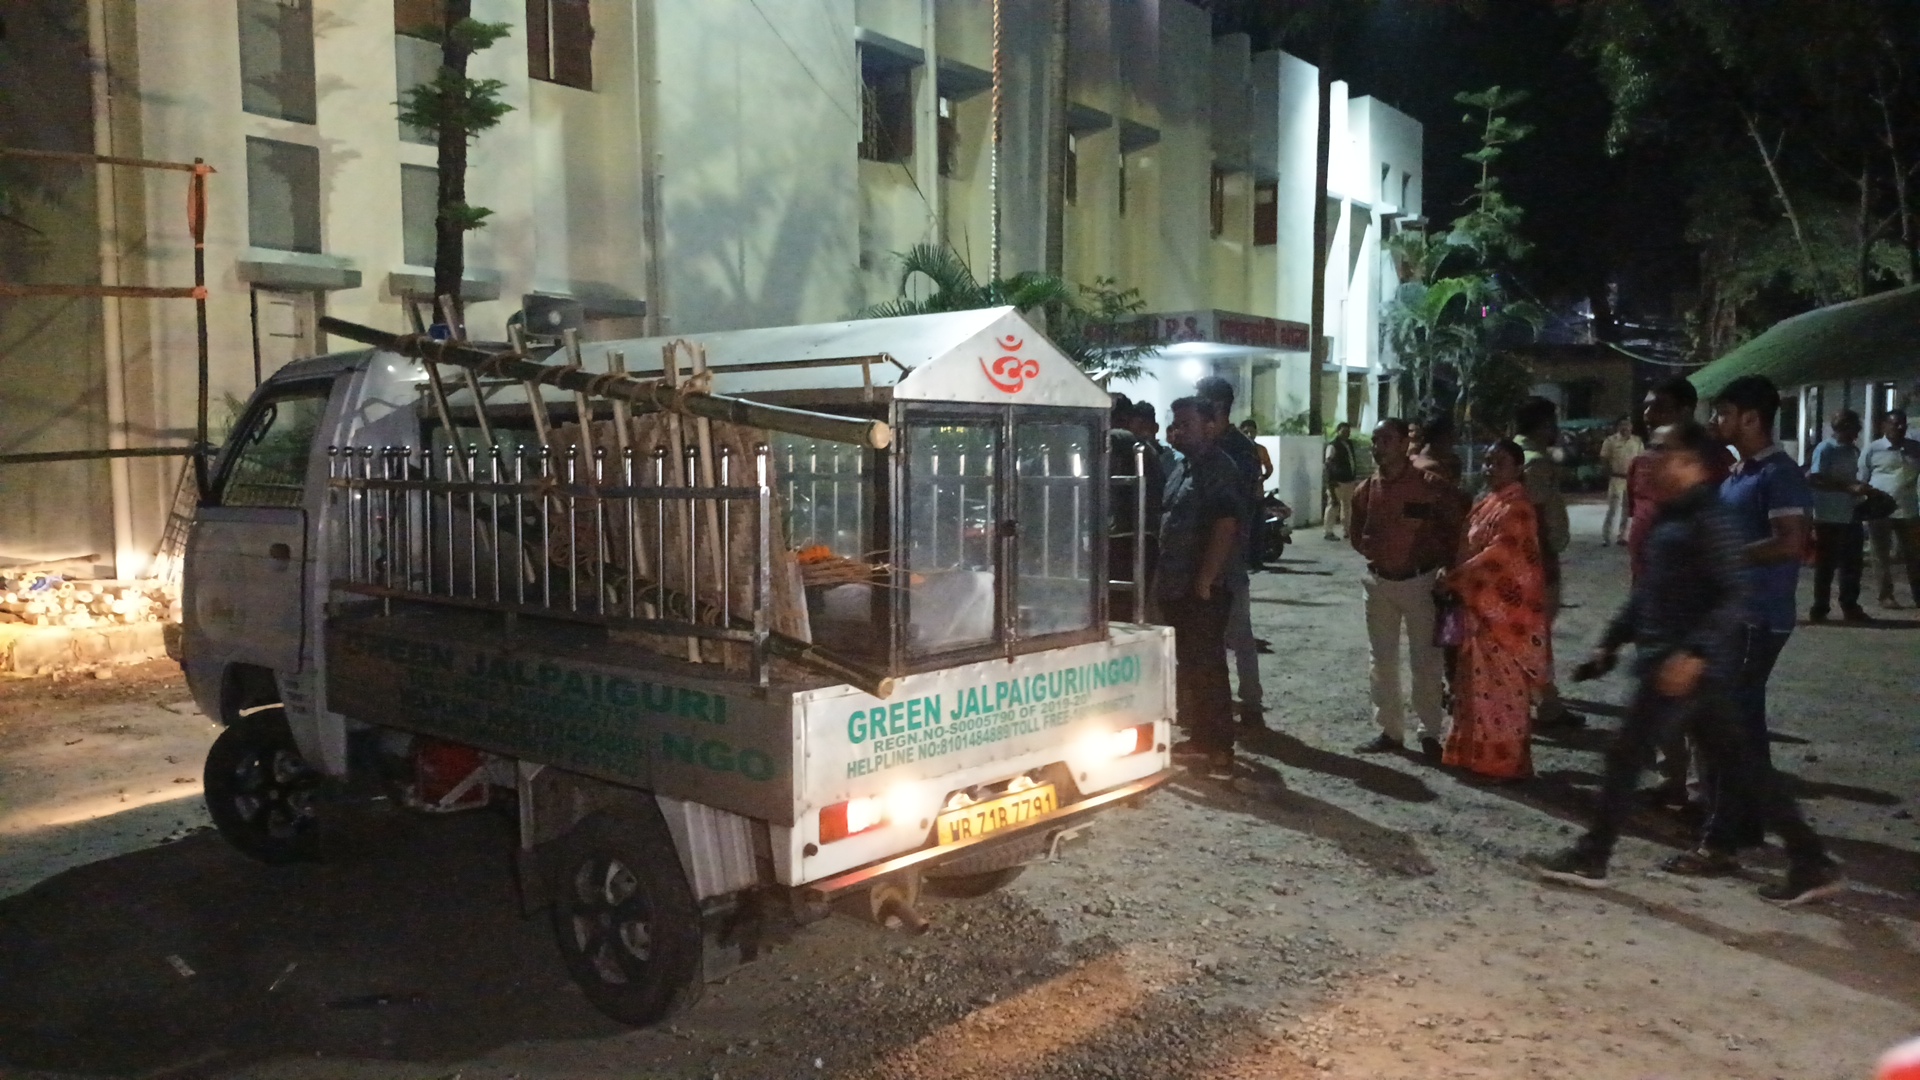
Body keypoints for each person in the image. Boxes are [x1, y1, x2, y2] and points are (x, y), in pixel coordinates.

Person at [1526, 420, 1844, 904]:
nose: (1650, 459)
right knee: (1744, 767)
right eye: (1650, 449)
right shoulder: (1671, 516)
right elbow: (1652, 590)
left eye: (1662, 450)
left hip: (1684, 667)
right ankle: (1811, 860)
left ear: (1692, 463)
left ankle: (1593, 855)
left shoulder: (1709, 518)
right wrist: (1610, 642)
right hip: (1675, 662)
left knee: (1627, 755)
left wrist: (1694, 653)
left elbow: (1732, 592)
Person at [1660, 374, 1814, 871]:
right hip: (1735, 617)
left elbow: (1791, 542)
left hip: (1757, 618)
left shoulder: (1779, 474)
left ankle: (1722, 842)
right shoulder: (1738, 473)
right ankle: (1742, 827)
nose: (1715, 421)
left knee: (1726, 731)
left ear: (1752, 418)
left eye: (1723, 413)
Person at [1627, 377, 1733, 808]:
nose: (1651, 415)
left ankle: (1705, 793)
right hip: (1650, 594)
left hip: (1693, 603)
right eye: (1648, 407)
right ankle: (1672, 780)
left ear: (1688, 411)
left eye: (1662, 407)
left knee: (1697, 699)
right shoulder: (1644, 464)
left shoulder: (1714, 463)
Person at [1349, 418, 1465, 761]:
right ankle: (1390, 730)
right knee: (1381, 660)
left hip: (1421, 582)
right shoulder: (1365, 491)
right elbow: (1357, 536)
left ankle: (1430, 732)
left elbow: (1456, 528)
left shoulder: (1432, 487)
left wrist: (1447, 567)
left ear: (1404, 445)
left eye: (1386, 439)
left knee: (1425, 661)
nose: (1378, 446)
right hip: (1379, 583)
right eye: (1375, 440)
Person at [1440, 440, 1549, 783]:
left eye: (1498, 462)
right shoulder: (1490, 502)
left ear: (1518, 468)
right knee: (1475, 687)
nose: (1489, 468)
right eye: (1487, 462)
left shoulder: (1517, 508)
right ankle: (1476, 756)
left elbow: (1498, 559)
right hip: (1479, 608)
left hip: (1503, 616)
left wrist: (1455, 578)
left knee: (1502, 693)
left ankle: (1504, 763)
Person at [1157, 396, 1247, 778]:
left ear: (1210, 426)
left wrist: (1206, 578)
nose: (1177, 431)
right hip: (1178, 585)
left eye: (1185, 425)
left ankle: (1221, 750)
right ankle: (1200, 738)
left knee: (1209, 667)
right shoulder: (1182, 468)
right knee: (1190, 664)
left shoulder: (1219, 469)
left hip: (1203, 589)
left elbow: (1225, 525)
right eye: (1175, 424)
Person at [1197, 376, 1267, 728]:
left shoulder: (1235, 450)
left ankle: (1249, 703)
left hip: (1229, 553)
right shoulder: (1221, 444)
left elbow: (1233, 509)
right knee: (1222, 634)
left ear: (1218, 407)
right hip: (1215, 552)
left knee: (1238, 632)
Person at [1626, 377, 1733, 582]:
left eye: (1659, 407)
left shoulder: (1718, 462)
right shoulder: (1640, 463)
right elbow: (1638, 517)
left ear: (1684, 412)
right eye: (1646, 408)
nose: (1647, 416)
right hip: (1646, 583)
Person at [1516, 396, 1580, 729]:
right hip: (1535, 560)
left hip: (1513, 559)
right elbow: (1535, 517)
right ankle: (1547, 706)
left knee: (1526, 632)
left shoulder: (1510, 451)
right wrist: (1546, 561)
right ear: (1543, 424)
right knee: (1536, 635)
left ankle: (1532, 697)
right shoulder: (1536, 462)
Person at [1805, 409, 1870, 622]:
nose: (1857, 433)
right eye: (1853, 428)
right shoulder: (1826, 449)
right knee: (1826, 564)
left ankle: (1850, 605)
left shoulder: (1853, 450)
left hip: (1851, 513)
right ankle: (1820, 608)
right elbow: (1815, 478)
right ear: (1842, 428)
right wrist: (1846, 487)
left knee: (1852, 564)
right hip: (1828, 515)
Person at [1109, 394, 1164, 623]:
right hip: (1145, 533)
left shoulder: (1118, 440)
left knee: (1119, 606)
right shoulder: (1145, 448)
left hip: (1123, 536)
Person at [1859, 408, 1920, 609]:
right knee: (1880, 554)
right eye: (1895, 423)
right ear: (1884, 426)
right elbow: (1862, 478)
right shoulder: (1873, 449)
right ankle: (1886, 595)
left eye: (1903, 424)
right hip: (1880, 510)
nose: (1900, 427)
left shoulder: (1915, 448)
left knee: (1914, 554)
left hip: (1908, 509)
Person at [1599, 416, 1643, 546]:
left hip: (1631, 479)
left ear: (1631, 426)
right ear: (1618, 426)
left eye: (1628, 424)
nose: (1625, 427)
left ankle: (1623, 536)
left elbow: (1641, 460)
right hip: (1616, 478)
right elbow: (1604, 459)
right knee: (1613, 509)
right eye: (1622, 424)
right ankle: (1606, 537)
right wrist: (1608, 473)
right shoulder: (1611, 441)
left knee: (1627, 509)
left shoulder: (1637, 441)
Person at [1323, 422, 1359, 540]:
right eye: (1344, 431)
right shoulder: (1333, 445)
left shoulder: (1349, 444)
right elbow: (1328, 464)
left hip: (1349, 480)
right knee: (1333, 505)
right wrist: (1330, 481)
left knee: (1347, 506)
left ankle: (1347, 530)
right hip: (1337, 481)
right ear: (1338, 431)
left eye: (1348, 431)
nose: (1346, 433)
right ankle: (1328, 531)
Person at [1410, 410, 1465, 487]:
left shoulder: (1453, 461)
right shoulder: (1431, 467)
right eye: (1450, 436)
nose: (1453, 440)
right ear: (1438, 438)